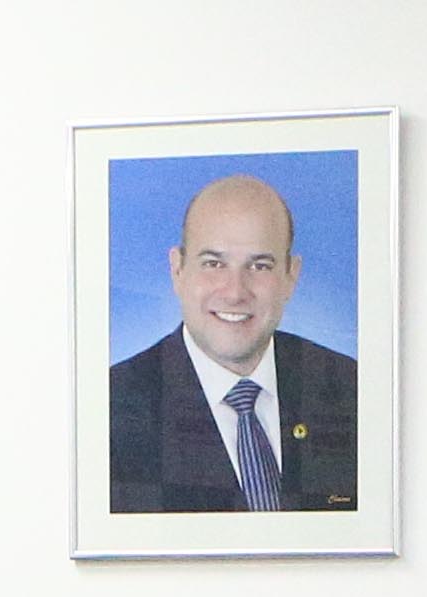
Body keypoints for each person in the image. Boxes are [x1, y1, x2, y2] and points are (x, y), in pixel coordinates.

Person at [107, 172, 360, 513]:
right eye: (213, 263)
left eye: (260, 265)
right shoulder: (112, 410)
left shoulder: (353, 390)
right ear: (177, 270)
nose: (235, 291)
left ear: (291, 276)